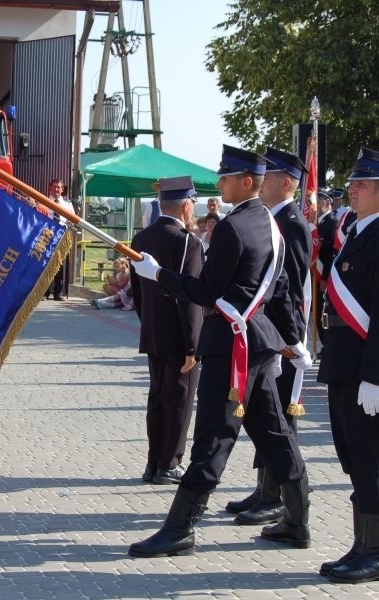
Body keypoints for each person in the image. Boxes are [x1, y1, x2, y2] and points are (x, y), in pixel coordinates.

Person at [129, 145, 312, 558]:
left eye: (226, 177)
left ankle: (179, 529)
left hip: (232, 348)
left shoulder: (232, 228)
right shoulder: (269, 223)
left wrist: (157, 274)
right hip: (259, 341)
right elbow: (280, 290)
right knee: (273, 433)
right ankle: (298, 522)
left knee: (212, 437)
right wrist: (291, 340)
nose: (220, 183)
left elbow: (205, 291)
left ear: (248, 182)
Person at [225, 147, 312, 525]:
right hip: (270, 334)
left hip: (279, 337)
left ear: (287, 183)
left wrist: (286, 341)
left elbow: (286, 289)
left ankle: (276, 496)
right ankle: (265, 488)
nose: (263, 184)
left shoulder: (291, 224)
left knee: (278, 420)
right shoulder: (272, 219)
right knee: (266, 417)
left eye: (271, 177)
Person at [317, 147, 379, 584]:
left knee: (370, 458)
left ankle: (373, 552)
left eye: (361, 184)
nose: (351, 190)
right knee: (354, 458)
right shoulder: (356, 233)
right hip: (343, 363)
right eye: (353, 183)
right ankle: (361, 544)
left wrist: (375, 376)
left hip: (365, 369)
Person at [130, 176, 203, 485]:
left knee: (158, 398)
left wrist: (149, 320)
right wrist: (192, 344)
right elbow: (190, 298)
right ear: (186, 206)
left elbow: (136, 291)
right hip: (179, 335)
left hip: (153, 331)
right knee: (180, 401)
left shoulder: (141, 238)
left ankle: (153, 462)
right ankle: (169, 463)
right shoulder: (188, 241)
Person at [44, 178, 75, 301]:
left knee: (60, 266)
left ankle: (58, 293)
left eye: (59, 187)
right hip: (47, 236)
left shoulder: (67, 204)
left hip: (61, 236)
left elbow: (72, 220)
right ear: (50, 187)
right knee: (45, 265)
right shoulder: (44, 201)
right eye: (54, 187)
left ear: (62, 189)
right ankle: (44, 292)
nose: (56, 189)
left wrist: (70, 224)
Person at [314, 190, 338, 347]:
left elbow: (330, 253)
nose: (316, 203)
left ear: (328, 202)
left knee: (323, 311)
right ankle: (324, 343)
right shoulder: (316, 223)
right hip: (314, 273)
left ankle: (327, 343)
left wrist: (325, 277)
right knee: (316, 311)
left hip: (324, 274)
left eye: (319, 200)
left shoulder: (332, 222)